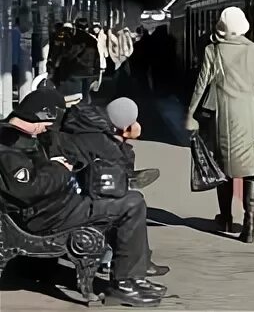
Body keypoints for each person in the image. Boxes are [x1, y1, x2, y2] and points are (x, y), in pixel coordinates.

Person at [0, 88, 166, 307]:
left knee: (125, 198)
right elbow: (28, 189)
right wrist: (60, 168)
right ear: (41, 116)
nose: (48, 129)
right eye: (49, 122)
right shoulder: (8, 144)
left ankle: (135, 274)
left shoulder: (21, 137)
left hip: (56, 207)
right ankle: (125, 284)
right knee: (131, 204)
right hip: (46, 216)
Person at [185, 7, 254, 244]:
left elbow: (201, 84)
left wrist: (190, 113)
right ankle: (249, 227)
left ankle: (225, 218)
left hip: (224, 118)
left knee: (224, 171)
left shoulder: (212, 50)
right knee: (253, 172)